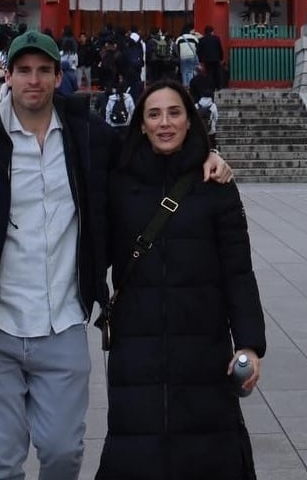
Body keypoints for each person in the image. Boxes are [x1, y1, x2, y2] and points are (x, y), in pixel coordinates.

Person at [0, 30, 233, 480]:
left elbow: (153, 145)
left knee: (64, 452)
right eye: (23, 70)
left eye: (43, 70)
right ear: (6, 75)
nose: (33, 80)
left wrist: (210, 156)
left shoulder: (88, 137)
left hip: (61, 321)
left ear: (57, 76)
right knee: (3, 462)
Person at [97, 79, 264, 479]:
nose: (165, 123)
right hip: (137, 343)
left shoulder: (215, 184)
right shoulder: (119, 182)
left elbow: (238, 271)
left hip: (202, 342)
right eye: (154, 114)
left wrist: (250, 343)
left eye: (175, 113)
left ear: (190, 121)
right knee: (137, 449)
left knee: (208, 452)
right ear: (140, 124)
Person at [197, 25, 225, 91]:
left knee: (209, 73)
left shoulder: (202, 40)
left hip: (206, 59)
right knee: (217, 72)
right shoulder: (216, 38)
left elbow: (199, 51)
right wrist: (221, 58)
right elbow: (220, 48)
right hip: (216, 58)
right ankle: (218, 86)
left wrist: (200, 60)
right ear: (212, 31)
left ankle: (210, 87)